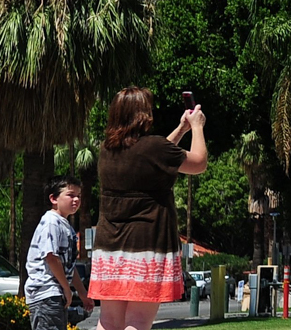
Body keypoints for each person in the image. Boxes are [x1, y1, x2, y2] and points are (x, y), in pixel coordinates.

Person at [88, 88, 207, 330]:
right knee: (138, 322)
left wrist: (180, 130)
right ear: (143, 114)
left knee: (108, 322)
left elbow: (154, 156)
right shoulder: (154, 147)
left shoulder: (107, 149)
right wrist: (196, 127)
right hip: (146, 244)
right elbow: (198, 163)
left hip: (109, 247)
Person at [26, 175, 84, 330]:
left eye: (78, 196)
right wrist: (66, 288)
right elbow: (51, 258)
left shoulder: (64, 225)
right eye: (70, 195)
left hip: (55, 294)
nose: (76, 200)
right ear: (53, 199)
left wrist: (83, 295)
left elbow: (69, 266)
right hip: (46, 293)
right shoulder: (51, 222)